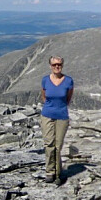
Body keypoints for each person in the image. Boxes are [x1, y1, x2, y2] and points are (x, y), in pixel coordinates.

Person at [40, 55, 73, 185]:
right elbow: (44, 97)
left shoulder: (68, 81)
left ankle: (58, 174)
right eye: (54, 65)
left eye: (59, 64)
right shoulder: (45, 80)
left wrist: (60, 108)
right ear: (50, 66)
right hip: (47, 115)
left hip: (62, 116)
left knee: (58, 146)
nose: (57, 66)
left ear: (62, 65)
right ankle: (50, 172)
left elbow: (68, 98)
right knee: (49, 144)